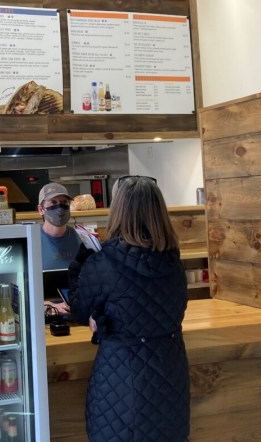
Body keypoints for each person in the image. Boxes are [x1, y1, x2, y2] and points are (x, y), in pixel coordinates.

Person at [68, 175, 189, 442]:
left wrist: (80, 265)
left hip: (121, 381)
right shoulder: (174, 262)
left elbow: (78, 311)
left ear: (119, 210)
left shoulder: (104, 263)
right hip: (171, 378)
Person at [37, 183, 83, 271]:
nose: (60, 207)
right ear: (41, 209)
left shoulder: (81, 238)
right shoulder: (33, 241)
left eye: (64, 202)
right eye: (53, 202)